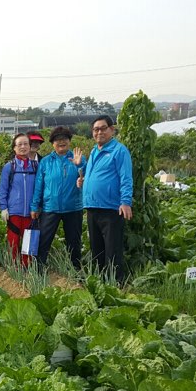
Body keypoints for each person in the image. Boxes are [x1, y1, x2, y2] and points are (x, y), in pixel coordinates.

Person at [82, 115, 133, 285]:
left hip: (111, 208)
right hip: (92, 207)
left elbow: (126, 178)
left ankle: (116, 284)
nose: (99, 132)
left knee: (112, 250)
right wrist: (83, 181)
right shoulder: (94, 151)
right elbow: (95, 175)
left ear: (112, 130)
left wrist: (125, 201)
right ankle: (100, 283)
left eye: (103, 128)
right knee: (97, 249)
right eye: (96, 129)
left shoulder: (119, 151)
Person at [31, 126, 85, 271]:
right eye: (57, 140)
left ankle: (75, 270)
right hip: (50, 207)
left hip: (73, 207)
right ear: (52, 143)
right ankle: (39, 269)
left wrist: (80, 164)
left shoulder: (78, 159)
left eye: (65, 139)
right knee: (44, 241)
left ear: (69, 141)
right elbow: (39, 185)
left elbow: (86, 176)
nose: (61, 142)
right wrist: (35, 206)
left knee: (74, 242)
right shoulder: (46, 161)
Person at [0, 133, 37, 267]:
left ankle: (27, 269)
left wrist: (37, 206)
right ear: (14, 148)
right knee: (13, 243)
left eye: (26, 144)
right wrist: (3, 208)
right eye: (19, 144)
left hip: (32, 213)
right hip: (14, 212)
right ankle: (13, 270)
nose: (23, 147)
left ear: (30, 147)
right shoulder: (10, 167)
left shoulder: (35, 166)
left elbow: (40, 189)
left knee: (29, 245)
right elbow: (3, 189)